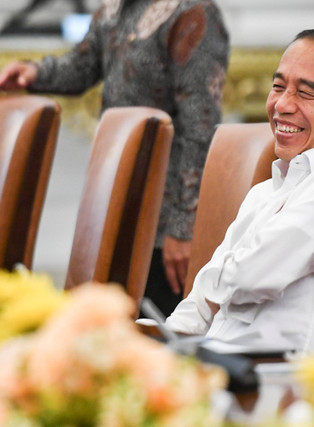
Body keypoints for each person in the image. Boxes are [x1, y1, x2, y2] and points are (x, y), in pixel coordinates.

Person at [164, 28, 314, 354]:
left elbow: (252, 276)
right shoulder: (269, 188)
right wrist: (166, 343)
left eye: (306, 93)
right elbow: (200, 302)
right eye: (278, 86)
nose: (282, 104)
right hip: (217, 363)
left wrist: (219, 277)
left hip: (279, 382)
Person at [0, 0, 230, 317]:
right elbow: (83, 65)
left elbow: (201, 129)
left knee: (158, 324)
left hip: (167, 217)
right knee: (114, 319)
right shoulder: (115, 7)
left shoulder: (192, 13)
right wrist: (35, 72)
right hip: (121, 197)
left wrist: (183, 228)